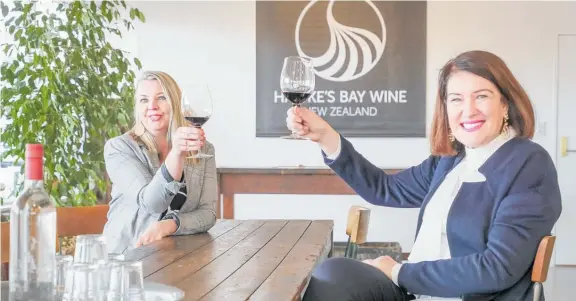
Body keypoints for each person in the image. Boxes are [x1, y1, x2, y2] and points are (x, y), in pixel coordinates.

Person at [286, 50, 562, 301]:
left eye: (481, 96)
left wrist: (398, 272)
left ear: (505, 104)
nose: (469, 110)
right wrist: (326, 138)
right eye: (456, 99)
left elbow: (497, 268)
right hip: (419, 293)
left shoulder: (527, 163)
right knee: (335, 273)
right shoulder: (450, 160)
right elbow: (384, 189)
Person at [103, 71, 217, 254]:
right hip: (127, 259)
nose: (152, 106)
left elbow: (208, 215)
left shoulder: (203, 149)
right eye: (144, 100)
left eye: (161, 97)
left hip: (179, 258)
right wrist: (177, 154)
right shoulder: (119, 148)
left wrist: (169, 225)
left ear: (176, 103)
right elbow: (151, 203)